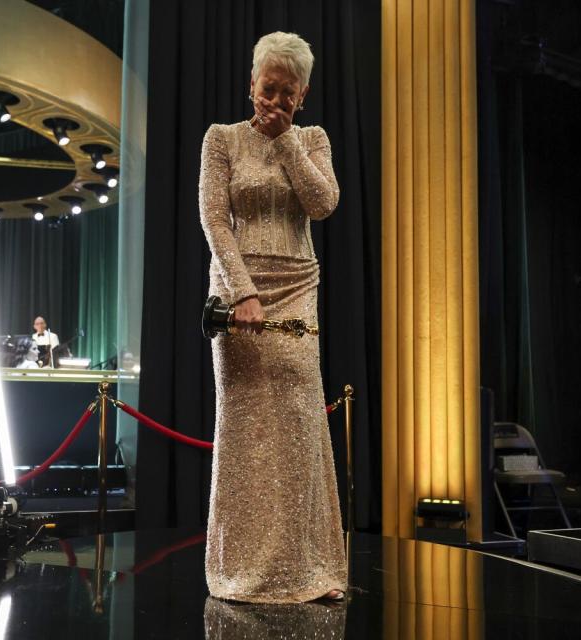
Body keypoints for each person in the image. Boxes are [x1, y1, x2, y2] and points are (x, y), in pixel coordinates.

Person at [199, 31, 345, 603]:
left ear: (302, 95)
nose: (275, 101)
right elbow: (215, 222)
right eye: (268, 89)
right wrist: (242, 293)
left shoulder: (312, 138)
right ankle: (239, 571)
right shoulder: (221, 139)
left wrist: (286, 143)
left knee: (300, 420)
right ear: (251, 84)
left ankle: (309, 569)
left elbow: (323, 203)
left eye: (288, 93)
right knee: (245, 430)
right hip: (238, 291)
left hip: (297, 286)